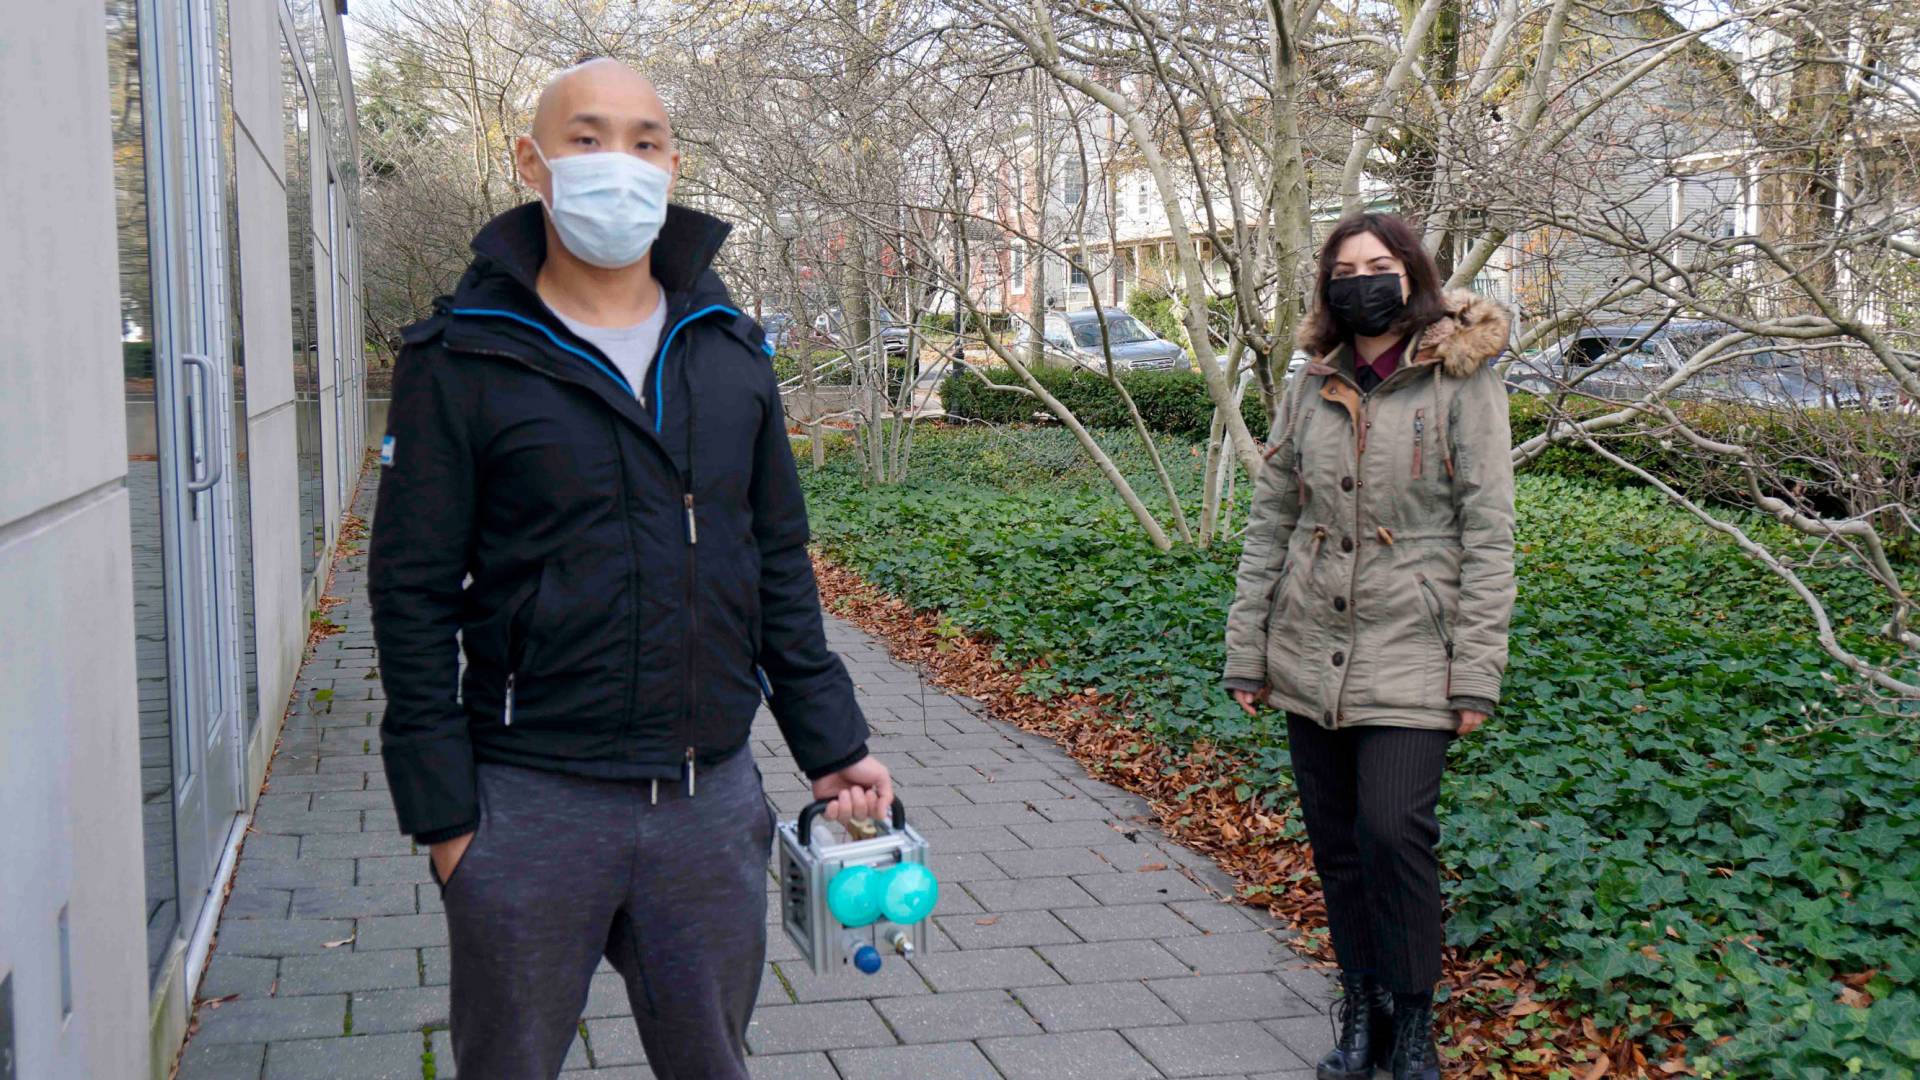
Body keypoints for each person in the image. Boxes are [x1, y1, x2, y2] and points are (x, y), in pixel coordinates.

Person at [368, 58, 893, 1080]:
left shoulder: (730, 350)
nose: (621, 163)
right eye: (587, 137)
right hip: (527, 807)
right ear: (532, 161)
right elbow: (411, 590)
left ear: (673, 164)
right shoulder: (461, 358)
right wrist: (445, 821)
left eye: (645, 141)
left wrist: (832, 746)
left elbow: (774, 558)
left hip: (709, 803)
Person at [1221, 212, 1515, 1080]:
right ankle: (1364, 1011)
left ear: (1412, 272)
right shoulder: (1310, 381)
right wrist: (1250, 646)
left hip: (1415, 644)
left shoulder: (1461, 380)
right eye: (1344, 269)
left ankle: (1415, 1021)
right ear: (1326, 286)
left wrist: (1477, 671)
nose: (1362, 281)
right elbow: (1272, 516)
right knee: (1338, 845)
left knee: (1394, 831)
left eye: (1378, 265)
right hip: (1310, 644)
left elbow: (1489, 534)